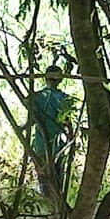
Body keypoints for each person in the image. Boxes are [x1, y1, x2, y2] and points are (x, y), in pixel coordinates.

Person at [27, 64, 76, 201]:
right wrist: (72, 141)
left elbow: (32, 120)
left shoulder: (37, 97)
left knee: (44, 176)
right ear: (60, 80)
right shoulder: (64, 98)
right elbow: (68, 124)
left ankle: (49, 204)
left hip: (42, 143)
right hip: (58, 143)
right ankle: (57, 204)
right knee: (57, 175)